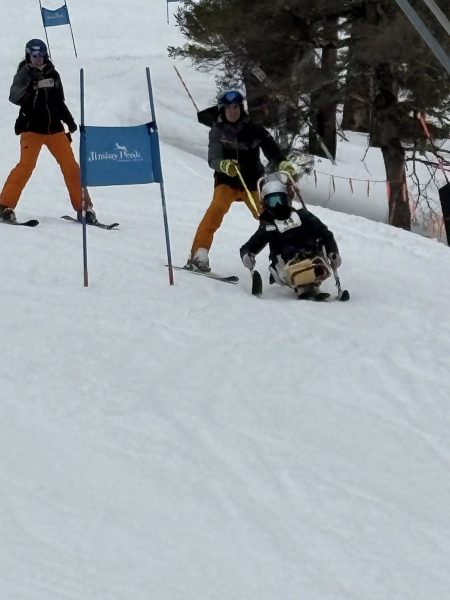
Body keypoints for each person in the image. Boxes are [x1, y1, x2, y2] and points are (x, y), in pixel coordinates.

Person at [186, 89, 296, 272]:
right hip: (226, 182)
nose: (232, 111)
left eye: (236, 107)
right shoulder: (217, 130)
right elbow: (213, 158)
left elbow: (272, 150)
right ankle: (199, 253)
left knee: (271, 215)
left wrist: (283, 163)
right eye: (228, 107)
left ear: (241, 108)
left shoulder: (254, 129)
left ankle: (287, 257)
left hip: (252, 183)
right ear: (223, 109)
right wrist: (225, 165)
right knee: (216, 210)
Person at [0, 39, 97, 224]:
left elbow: (59, 102)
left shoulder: (53, 74)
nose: (38, 59)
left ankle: (84, 208)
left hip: (54, 129)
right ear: (28, 56)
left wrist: (69, 121)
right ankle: (4, 205)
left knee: (71, 167)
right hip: (31, 129)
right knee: (25, 167)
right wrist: (31, 85)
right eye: (35, 56)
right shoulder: (24, 73)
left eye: (41, 55)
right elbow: (14, 97)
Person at [239, 173, 342, 300]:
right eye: (273, 201)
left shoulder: (303, 216)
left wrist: (333, 251)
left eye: (280, 200)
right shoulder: (268, 226)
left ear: (287, 199)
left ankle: (312, 283)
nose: (277, 205)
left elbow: (324, 233)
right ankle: (302, 286)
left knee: (315, 239)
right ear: (266, 204)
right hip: (285, 265)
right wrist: (247, 255)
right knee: (285, 250)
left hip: (313, 257)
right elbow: (249, 246)